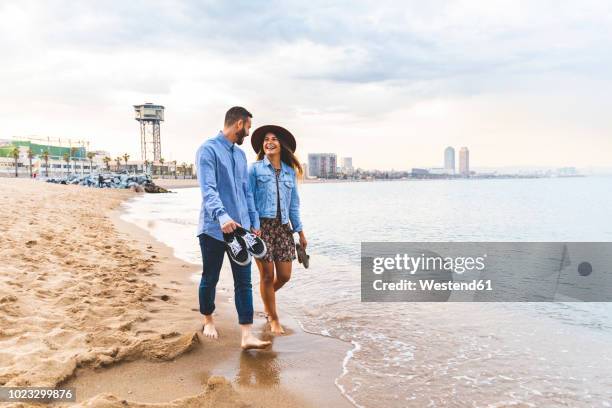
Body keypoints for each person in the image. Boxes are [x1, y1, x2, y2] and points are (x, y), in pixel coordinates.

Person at [196, 106, 271, 350]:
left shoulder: (240, 156)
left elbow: (246, 193)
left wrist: (254, 224)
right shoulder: (207, 150)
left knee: (244, 282)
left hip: (242, 232)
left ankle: (247, 335)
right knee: (210, 278)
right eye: (248, 127)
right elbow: (208, 189)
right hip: (214, 229)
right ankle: (208, 320)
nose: (248, 133)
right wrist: (222, 216)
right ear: (239, 124)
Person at [249, 125, 307, 335]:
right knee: (266, 276)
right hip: (261, 228)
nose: (269, 142)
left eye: (274, 139)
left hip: (283, 228)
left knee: (284, 275)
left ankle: (266, 297)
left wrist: (300, 232)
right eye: (266, 139)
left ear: (281, 145)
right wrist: (254, 226)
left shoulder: (289, 172)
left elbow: (293, 205)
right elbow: (249, 199)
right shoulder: (254, 169)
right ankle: (273, 319)